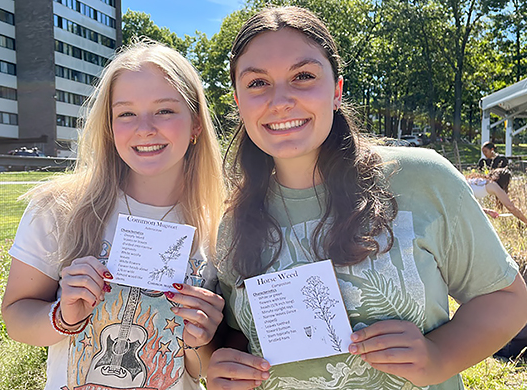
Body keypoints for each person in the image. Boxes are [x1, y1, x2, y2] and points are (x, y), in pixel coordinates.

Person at [207, 7, 527, 390]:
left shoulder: (421, 178)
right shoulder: (233, 222)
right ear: (238, 101)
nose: (281, 100)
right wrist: (225, 367)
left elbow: (507, 298)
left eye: (303, 76)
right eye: (257, 83)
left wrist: (439, 357)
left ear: (337, 91)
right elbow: (238, 334)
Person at [1, 41, 226, 390]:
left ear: (196, 123)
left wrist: (202, 340)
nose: (145, 127)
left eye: (165, 110)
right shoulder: (59, 208)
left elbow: (199, 370)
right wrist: (62, 316)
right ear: (108, 126)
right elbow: (16, 317)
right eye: (126, 113)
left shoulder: (221, 227)